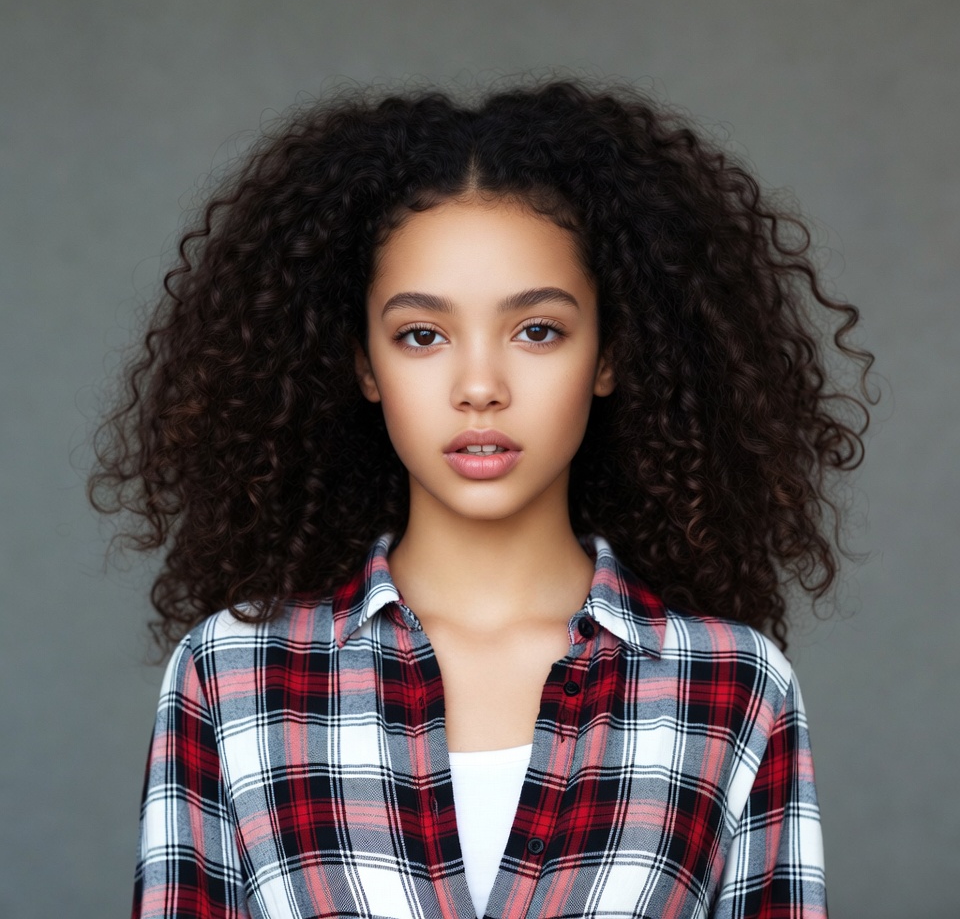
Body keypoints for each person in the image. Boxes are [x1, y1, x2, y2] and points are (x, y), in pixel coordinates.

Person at [90, 76, 873, 919]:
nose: (479, 387)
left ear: (609, 356)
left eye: (537, 330)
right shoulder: (234, 676)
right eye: (421, 335)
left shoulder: (734, 687)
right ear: (364, 364)